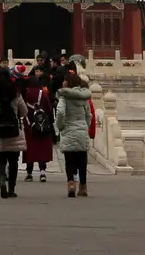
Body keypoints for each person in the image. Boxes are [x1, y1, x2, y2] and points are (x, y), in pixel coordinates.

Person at [0, 67, 26, 198]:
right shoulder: (15, 93)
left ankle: (2, 178)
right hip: (13, 131)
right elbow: (24, 111)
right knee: (13, 161)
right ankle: (12, 188)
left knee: (0, 159)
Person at [56, 69, 94, 197]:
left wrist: (60, 126)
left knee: (69, 160)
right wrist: (85, 126)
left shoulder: (64, 96)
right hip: (82, 129)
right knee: (82, 160)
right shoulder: (84, 97)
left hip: (69, 129)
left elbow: (60, 112)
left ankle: (71, 184)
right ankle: (83, 187)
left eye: (65, 80)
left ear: (68, 83)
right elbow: (89, 115)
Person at [22, 71, 55, 182]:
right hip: (42, 124)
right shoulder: (43, 93)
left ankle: (29, 172)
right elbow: (49, 110)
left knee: (30, 148)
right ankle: (42, 172)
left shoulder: (25, 93)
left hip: (29, 124)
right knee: (41, 148)